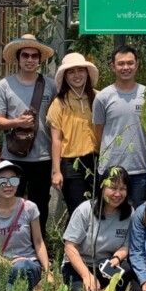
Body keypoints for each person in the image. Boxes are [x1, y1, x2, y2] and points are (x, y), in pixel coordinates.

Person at [0, 34, 57, 238]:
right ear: (18, 59)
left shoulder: (50, 85)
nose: (30, 60)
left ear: (40, 59)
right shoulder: (5, 85)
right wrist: (17, 123)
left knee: (40, 204)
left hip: (42, 156)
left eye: (34, 56)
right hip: (13, 156)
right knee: (9, 202)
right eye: (25, 55)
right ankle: (9, 243)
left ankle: (39, 244)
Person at [0, 160, 53, 291]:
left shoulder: (29, 208)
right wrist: (7, 264)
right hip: (3, 266)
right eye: (2, 181)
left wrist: (47, 272)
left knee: (22, 267)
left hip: (29, 263)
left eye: (13, 180)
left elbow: (39, 242)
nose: (8, 185)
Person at [61, 166, 133, 291]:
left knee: (126, 269)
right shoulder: (85, 210)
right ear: (102, 187)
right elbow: (69, 247)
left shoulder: (129, 213)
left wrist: (116, 258)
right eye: (113, 188)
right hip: (79, 265)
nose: (118, 194)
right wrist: (86, 275)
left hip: (105, 265)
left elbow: (126, 245)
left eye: (123, 189)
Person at [93, 45, 146, 206]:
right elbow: (98, 132)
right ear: (113, 67)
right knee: (109, 212)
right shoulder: (103, 97)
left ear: (137, 65)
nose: (126, 67)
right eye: (121, 63)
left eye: (130, 63)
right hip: (110, 169)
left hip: (139, 168)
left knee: (137, 214)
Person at [48, 52, 100, 216]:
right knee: (78, 211)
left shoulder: (98, 97)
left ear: (87, 72)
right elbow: (56, 139)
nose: (76, 75)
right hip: (71, 164)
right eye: (71, 72)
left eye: (80, 70)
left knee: (97, 209)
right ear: (65, 76)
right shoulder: (59, 102)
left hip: (97, 160)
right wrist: (56, 171)